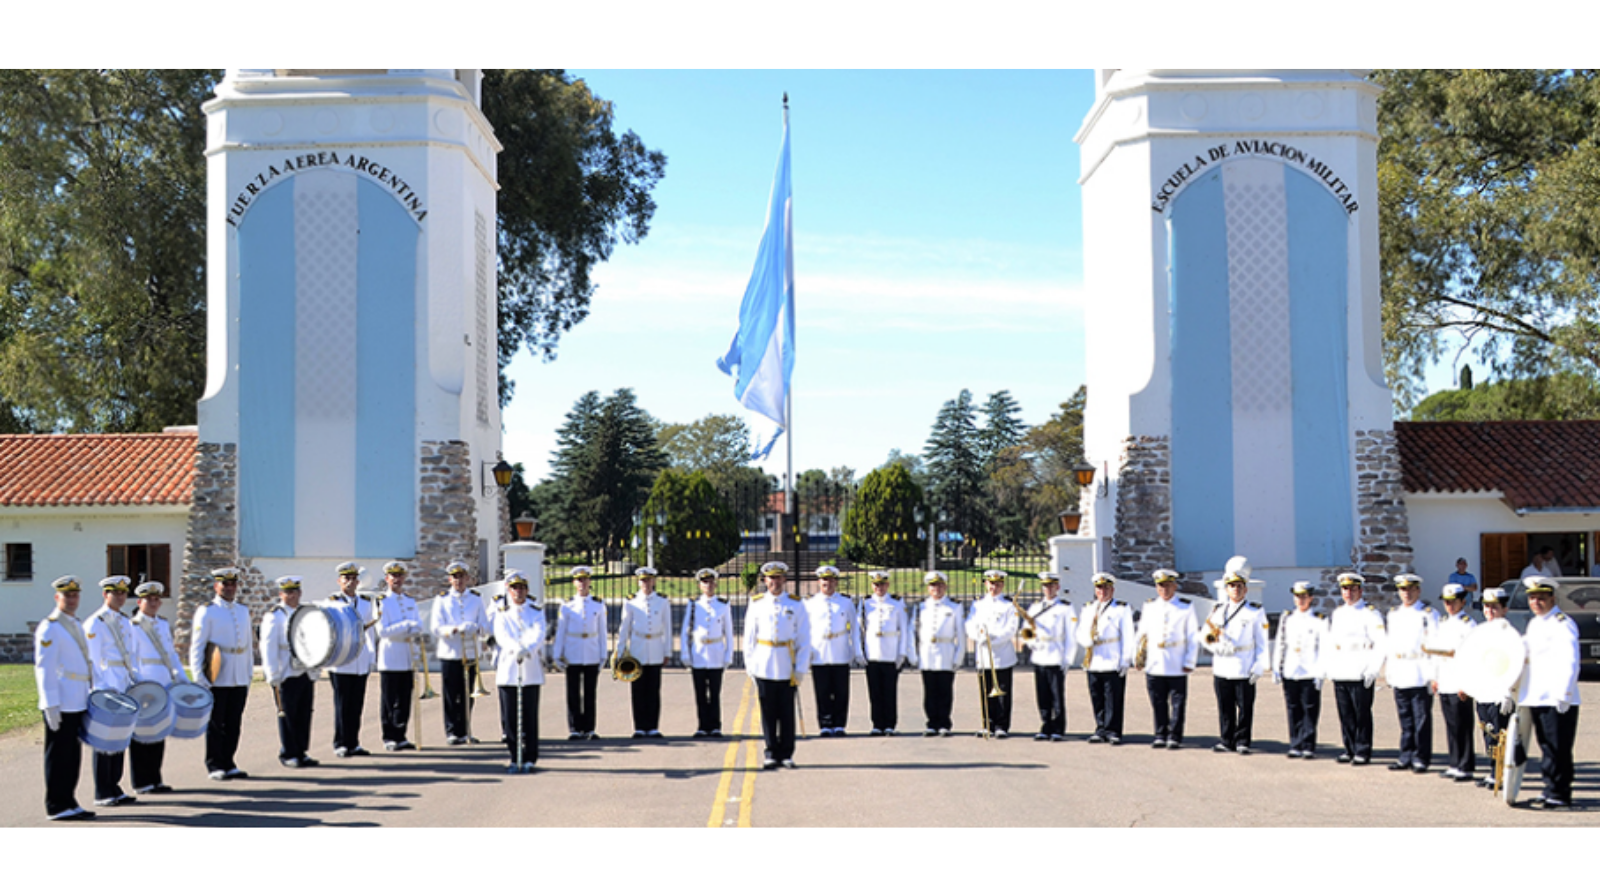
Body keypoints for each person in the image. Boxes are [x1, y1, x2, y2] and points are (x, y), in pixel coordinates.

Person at [35, 576, 95, 821]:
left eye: (75, 595)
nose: (72, 600)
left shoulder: (75, 623)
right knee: (58, 755)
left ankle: (69, 800)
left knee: (72, 755)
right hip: (61, 700)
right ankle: (56, 805)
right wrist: (50, 703)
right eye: (67, 595)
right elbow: (44, 668)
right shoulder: (50, 627)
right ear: (57, 597)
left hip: (77, 697)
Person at [742, 562, 812, 769]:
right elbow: (749, 639)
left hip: (787, 664)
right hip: (764, 663)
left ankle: (787, 753)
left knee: (786, 711)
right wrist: (750, 666)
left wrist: (801, 668)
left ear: (784, 579)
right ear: (765, 580)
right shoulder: (756, 603)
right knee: (768, 711)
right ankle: (771, 751)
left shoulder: (796, 604)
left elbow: (804, 639)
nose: (775, 582)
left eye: (779, 577)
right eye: (771, 578)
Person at [1519, 576, 1581, 810]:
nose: (1536, 602)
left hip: (1557, 697)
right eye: (1532, 598)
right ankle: (1550, 788)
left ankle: (1560, 793)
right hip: (1538, 695)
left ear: (1552, 599)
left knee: (1558, 747)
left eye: (1541, 598)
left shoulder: (1562, 623)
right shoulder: (1535, 624)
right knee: (1546, 745)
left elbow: (1571, 660)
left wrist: (1565, 693)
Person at [189, 567, 253, 780]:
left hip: (238, 672)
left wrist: (248, 672)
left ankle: (229, 761)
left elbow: (248, 644)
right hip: (217, 674)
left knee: (234, 722)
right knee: (216, 723)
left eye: (233, 584)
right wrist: (199, 677)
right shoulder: (207, 611)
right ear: (216, 586)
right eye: (225, 584)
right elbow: (197, 646)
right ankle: (215, 764)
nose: (229, 588)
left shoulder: (242, 610)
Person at [1202, 569, 1270, 755]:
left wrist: (1259, 665)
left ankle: (1243, 741)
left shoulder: (1255, 611)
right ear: (1226, 589)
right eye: (1232, 586)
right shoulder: (1217, 611)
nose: (1236, 589)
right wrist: (1216, 647)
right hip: (1223, 665)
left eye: (1239, 586)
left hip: (1243, 665)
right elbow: (1205, 636)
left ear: (1245, 589)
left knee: (1245, 706)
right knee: (1225, 706)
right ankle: (1226, 740)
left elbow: (1262, 642)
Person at [129, 581, 186, 793]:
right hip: (144, 682)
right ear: (139, 602)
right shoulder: (133, 626)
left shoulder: (162, 624)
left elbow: (171, 654)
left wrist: (181, 678)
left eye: (156, 599)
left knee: (159, 731)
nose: (153, 603)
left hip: (163, 681)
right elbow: (131, 657)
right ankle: (141, 781)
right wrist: (137, 683)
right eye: (148, 600)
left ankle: (155, 777)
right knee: (142, 733)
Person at [86, 576, 137, 806]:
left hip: (123, 681)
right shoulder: (96, 623)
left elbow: (131, 653)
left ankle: (115, 786)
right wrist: (100, 690)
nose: (120, 597)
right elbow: (92, 660)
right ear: (105, 594)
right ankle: (102, 791)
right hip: (106, 683)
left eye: (123, 593)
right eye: (115, 593)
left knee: (120, 737)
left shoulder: (125, 621)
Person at [1326, 572, 1386, 766]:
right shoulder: (1338, 613)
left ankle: (1362, 750)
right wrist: (1330, 665)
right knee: (1345, 713)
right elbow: (1332, 642)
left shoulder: (1370, 613)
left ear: (1360, 590)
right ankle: (1349, 748)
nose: (1349, 593)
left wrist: (1373, 669)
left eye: (1353, 589)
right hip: (1342, 669)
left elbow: (1380, 643)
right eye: (1345, 589)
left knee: (1362, 714)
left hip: (1361, 668)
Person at [260, 576, 318, 768]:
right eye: (287, 592)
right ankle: (289, 753)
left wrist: (316, 666)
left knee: (304, 713)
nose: (291, 596)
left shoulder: (306, 613)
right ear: (281, 594)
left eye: (294, 592)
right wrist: (272, 673)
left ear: (300, 593)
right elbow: (268, 646)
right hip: (285, 670)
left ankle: (301, 751)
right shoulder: (275, 616)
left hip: (305, 669)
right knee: (287, 714)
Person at [1137, 569, 1198, 750]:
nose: (1164, 589)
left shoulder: (1185, 607)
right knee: (1157, 700)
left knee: (1177, 702)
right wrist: (1138, 656)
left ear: (1175, 586)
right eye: (1161, 586)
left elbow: (1192, 636)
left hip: (1176, 660)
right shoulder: (1150, 606)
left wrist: (1190, 661)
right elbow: (1142, 633)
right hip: (1155, 661)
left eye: (1168, 585)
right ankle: (1160, 733)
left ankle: (1175, 735)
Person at [431, 560, 489, 745]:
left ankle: (464, 730)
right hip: (450, 652)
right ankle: (452, 731)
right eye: (455, 577)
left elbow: (485, 625)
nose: (459, 581)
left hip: (470, 653)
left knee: (468, 694)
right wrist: (454, 629)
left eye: (462, 577)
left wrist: (475, 628)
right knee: (451, 694)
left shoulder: (476, 599)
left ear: (468, 578)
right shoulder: (442, 599)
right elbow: (436, 627)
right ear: (450, 579)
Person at [493, 570, 546, 774]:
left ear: (527, 590)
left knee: (529, 717)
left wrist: (528, 648)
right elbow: (501, 636)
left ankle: (530, 757)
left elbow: (539, 633)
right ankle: (515, 756)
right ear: (509, 590)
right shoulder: (502, 612)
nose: (519, 592)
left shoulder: (536, 611)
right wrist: (516, 648)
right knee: (511, 718)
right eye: (515, 588)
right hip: (509, 669)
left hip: (530, 670)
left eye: (522, 588)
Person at [1386, 573, 1439, 774]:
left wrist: (1433, 675)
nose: (1406, 593)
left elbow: (1434, 645)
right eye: (1403, 589)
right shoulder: (1394, 614)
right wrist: (1390, 670)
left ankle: (1421, 757)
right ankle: (1406, 755)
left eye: (1410, 589)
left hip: (1419, 670)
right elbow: (1391, 645)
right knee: (1405, 718)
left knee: (1421, 719)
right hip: (1401, 669)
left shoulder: (1428, 614)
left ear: (1418, 590)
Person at [1078, 573, 1137, 745]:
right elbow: (1080, 631)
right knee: (1096, 696)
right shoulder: (1088, 608)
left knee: (1113, 697)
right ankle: (1100, 728)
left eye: (1106, 588)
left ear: (1112, 589)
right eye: (1099, 588)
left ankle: (1113, 730)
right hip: (1094, 658)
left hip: (1112, 656)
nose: (1102, 591)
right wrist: (1086, 640)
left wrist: (1125, 659)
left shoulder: (1121, 608)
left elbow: (1128, 635)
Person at [1428, 583, 1478, 783]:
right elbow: (1436, 652)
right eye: (1447, 602)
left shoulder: (1468, 624)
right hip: (1445, 679)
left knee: (1462, 724)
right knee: (1451, 724)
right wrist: (1435, 677)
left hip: (1459, 681)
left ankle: (1465, 766)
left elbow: (1472, 656)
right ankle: (1454, 762)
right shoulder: (1442, 623)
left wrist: (1466, 683)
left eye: (1453, 602)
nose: (1449, 605)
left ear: (1463, 602)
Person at [327, 561, 377, 758]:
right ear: (339, 581)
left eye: (353, 578)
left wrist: (371, 656)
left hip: (360, 660)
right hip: (340, 661)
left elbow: (370, 632)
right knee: (342, 705)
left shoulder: (365, 602)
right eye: (346, 578)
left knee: (356, 704)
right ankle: (340, 743)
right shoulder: (332, 602)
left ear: (358, 581)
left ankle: (353, 742)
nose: (350, 582)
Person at [1274, 582, 1328, 759]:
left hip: (1310, 670)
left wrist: (1321, 672)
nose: (1300, 600)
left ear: (1311, 598)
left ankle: (1308, 745)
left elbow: (1324, 648)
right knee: (1293, 708)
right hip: (1291, 668)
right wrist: (1276, 667)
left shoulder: (1319, 620)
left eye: (1304, 596)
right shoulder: (1287, 618)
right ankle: (1295, 743)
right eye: (1297, 596)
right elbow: (1281, 643)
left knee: (1309, 709)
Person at [552, 566, 606, 740]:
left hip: (591, 651)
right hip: (573, 651)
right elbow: (561, 631)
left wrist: (603, 654)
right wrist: (557, 654)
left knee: (590, 692)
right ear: (574, 583)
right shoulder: (567, 605)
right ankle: (575, 728)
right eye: (579, 580)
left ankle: (589, 728)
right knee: (573, 692)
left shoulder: (598, 604)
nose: (582, 583)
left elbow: (602, 632)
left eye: (585, 579)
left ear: (590, 582)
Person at [806, 566, 859, 738]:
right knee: (822, 691)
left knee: (841, 691)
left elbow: (855, 628)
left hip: (840, 650)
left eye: (830, 580)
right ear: (819, 582)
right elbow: (804, 630)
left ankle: (839, 724)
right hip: (819, 651)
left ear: (836, 582)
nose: (827, 583)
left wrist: (856, 650)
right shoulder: (810, 603)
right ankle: (825, 724)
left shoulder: (845, 602)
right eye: (824, 580)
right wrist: (805, 652)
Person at [617, 567, 671, 738]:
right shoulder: (631, 601)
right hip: (638, 648)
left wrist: (667, 651)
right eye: (643, 580)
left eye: (649, 580)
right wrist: (619, 650)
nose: (646, 584)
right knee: (638, 690)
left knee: (653, 689)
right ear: (638, 582)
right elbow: (624, 628)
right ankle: (639, 726)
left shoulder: (662, 601)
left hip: (655, 647)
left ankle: (653, 726)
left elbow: (667, 628)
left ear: (654, 581)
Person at [966, 570, 1021, 738]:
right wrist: (979, 637)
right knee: (985, 690)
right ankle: (987, 724)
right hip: (983, 654)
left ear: (1002, 585)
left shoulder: (1009, 605)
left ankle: (1002, 726)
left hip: (1002, 654)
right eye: (991, 583)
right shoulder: (978, 605)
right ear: (986, 584)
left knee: (1003, 691)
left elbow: (1011, 628)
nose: (994, 587)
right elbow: (970, 624)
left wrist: (993, 639)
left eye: (998, 584)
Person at [1473, 588, 1518, 789]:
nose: (1489, 611)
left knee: (1502, 737)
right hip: (1484, 691)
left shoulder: (1509, 634)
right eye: (1486, 607)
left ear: (1504, 609)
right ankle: (1493, 771)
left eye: (1494, 607)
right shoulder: (1481, 632)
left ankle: (1502, 774)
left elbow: (1515, 664)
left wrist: (1508, 692)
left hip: (1500, 693)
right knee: (1488, 735)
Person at [1024, 572, 1078, 743]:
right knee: (1042, 694)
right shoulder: (1035, 607)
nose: (1048, 589)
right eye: (1045, 586)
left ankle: (1058, 728)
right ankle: (1045, 724)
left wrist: (1068, 659)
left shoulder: (1065, 608)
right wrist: (1031, 643)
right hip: (1040, 654)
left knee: (1057, 695)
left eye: (1051, 585)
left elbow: (1071, 635)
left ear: (1058, 587)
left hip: (1056, 654)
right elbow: (1026, 629)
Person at [375, 561, 423, 752]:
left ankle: (401, 735)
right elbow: (383, 631)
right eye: (393, 576)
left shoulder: (410, 601)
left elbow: (419, 625)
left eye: (400, 576)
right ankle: (389, 736)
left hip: (407, 656)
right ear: (387, 579)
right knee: (389, 700)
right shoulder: (382, 601)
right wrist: (406, 626)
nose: (397, 579)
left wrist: (413, 628)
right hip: (390, 657)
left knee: (404, 699)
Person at [682, 569, 735, 738]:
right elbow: (685, 631)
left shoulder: (723, 604)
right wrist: (685, 653)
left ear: (715, 584)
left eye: (711, 582)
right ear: (700, 586)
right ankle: (702, 726)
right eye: (705, 583)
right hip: (698, 652)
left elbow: (729, 632)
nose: (708, 586)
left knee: (715, 692)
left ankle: (715, 726)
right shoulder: (693, 604)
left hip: (716, 653)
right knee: (700, 693)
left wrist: (728, 654)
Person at [912, 571, 965, 737]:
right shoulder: (921, 606)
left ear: (945, 587)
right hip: (927, 652)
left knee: (945, 690)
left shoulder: (954, 606)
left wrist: (959, 655)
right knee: (929, 690)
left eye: (940, 585)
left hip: (945, 651)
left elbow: (961, 633)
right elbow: (912, 631)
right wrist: (913, 654)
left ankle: (944, 723)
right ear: (928, 588)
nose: (937, 589)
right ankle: (931, 723)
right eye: (933, 585)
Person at [860, 571, 911, 736]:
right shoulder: (866, 603)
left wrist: (902, 653)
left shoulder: (896, 603)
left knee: (890, 691)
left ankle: (889, 724)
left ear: (887, 585)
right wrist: (859, 651)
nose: (879, 588)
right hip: (872, 651)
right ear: (872, 586)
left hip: (890, 652)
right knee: (874, 691)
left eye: (882, 584)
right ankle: (877, 724)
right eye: (876, 584)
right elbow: (859, 629)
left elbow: (904, 629)